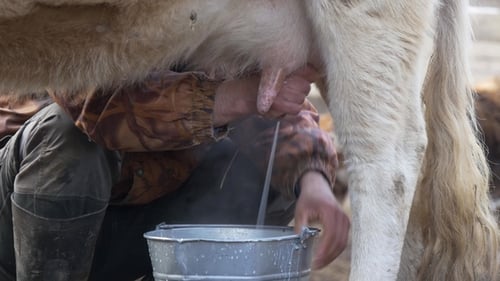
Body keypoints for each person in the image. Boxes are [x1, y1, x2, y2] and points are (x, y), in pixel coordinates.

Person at [0, 66, 350, 280]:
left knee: (269, 170)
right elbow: (93, 106)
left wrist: (312, 179)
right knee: (67, 137)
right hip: (18, 224)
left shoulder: (210, 24)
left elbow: (274, 108)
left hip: (129, 224)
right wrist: (235, 97)